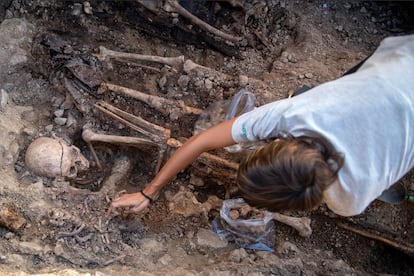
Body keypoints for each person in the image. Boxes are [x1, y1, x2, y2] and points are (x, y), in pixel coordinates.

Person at [108, 34, 414, 218]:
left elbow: (202, 142)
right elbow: (200, 142)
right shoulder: (292, 113)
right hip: (399, 65)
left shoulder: (350, 200)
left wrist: (149, 194)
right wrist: (149, 193)